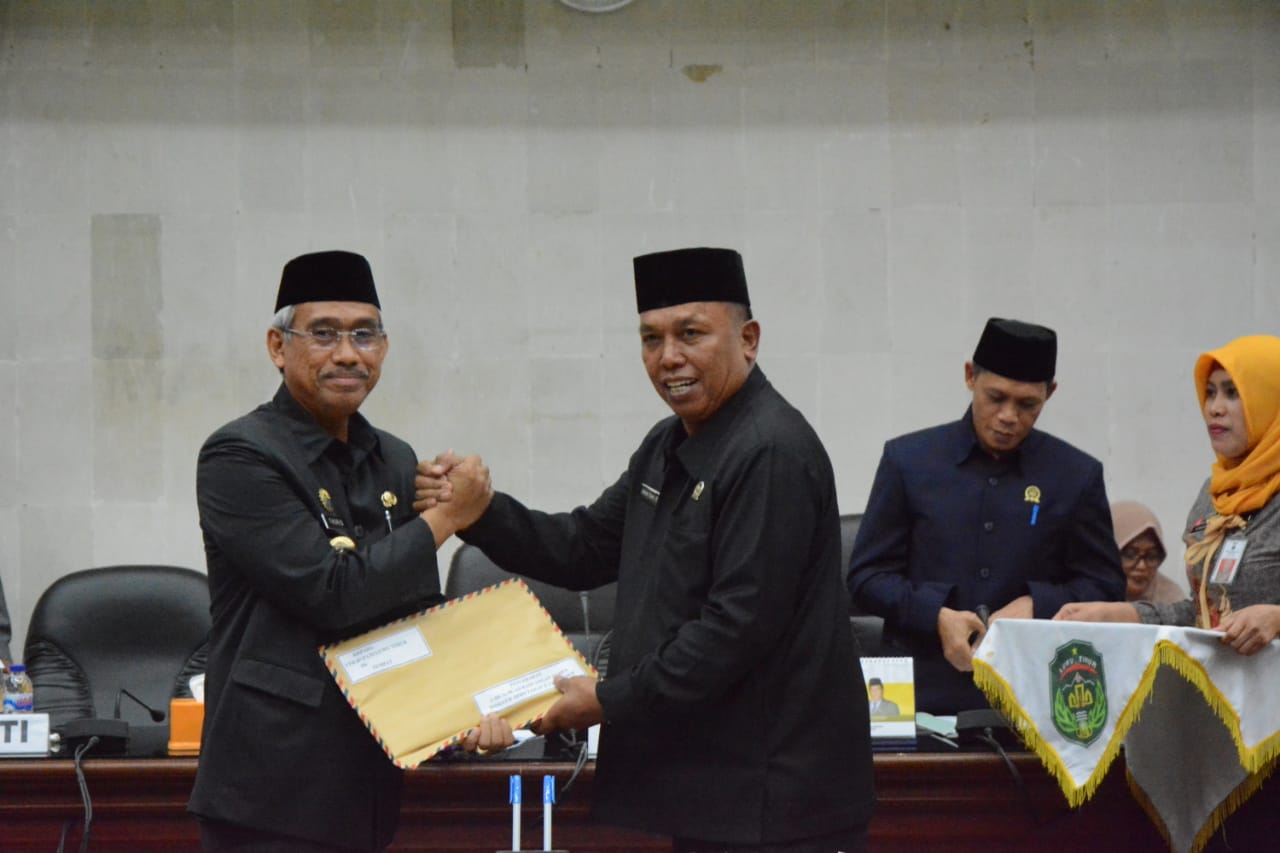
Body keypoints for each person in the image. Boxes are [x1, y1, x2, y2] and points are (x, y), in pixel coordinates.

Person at [419, 248, 874, 853]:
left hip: (776, 800)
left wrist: (606, 700)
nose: (668, 357)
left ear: (749, 339)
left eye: (691, 334)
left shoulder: (770, 450)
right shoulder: (667, 444)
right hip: (714, 793)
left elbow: (735, 628)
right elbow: (584, 547)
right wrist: (480, 512)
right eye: (651, 338)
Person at [189, 250, 510, 853]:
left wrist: (462, 711)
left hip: (367, 788)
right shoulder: (239, 455)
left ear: (383, 349)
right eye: (324, 334)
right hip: (271, 791)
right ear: (278, 346)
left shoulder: (394, 457)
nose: (347, 354)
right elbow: (332, 591)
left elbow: (411, 614)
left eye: (365, 335)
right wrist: (448, 516)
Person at [846, 318, 1125, 715]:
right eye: (996, 397)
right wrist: (935, 615)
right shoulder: (909, 461)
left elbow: (1106, 586)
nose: (1009, 416)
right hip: (919, 688)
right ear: (969, 377)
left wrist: (1038, 604)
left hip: (1033, 695)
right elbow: (866, 577)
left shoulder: (1075, 475)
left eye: (1028, 404)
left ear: (1050, 393)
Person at [1057, 335, 1280, 655]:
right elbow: (1200, 615)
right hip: (1220, 683)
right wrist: (1119, 613)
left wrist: (1277, 618)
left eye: (1232, 393)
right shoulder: (1215, 493)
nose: (1214, 408)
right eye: (1210, 392)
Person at [1111, 501, 1184, 604]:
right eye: (1130, 555)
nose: (1142, 566)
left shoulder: (1172, 600)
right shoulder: (1089, 592)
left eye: (1152, 556)